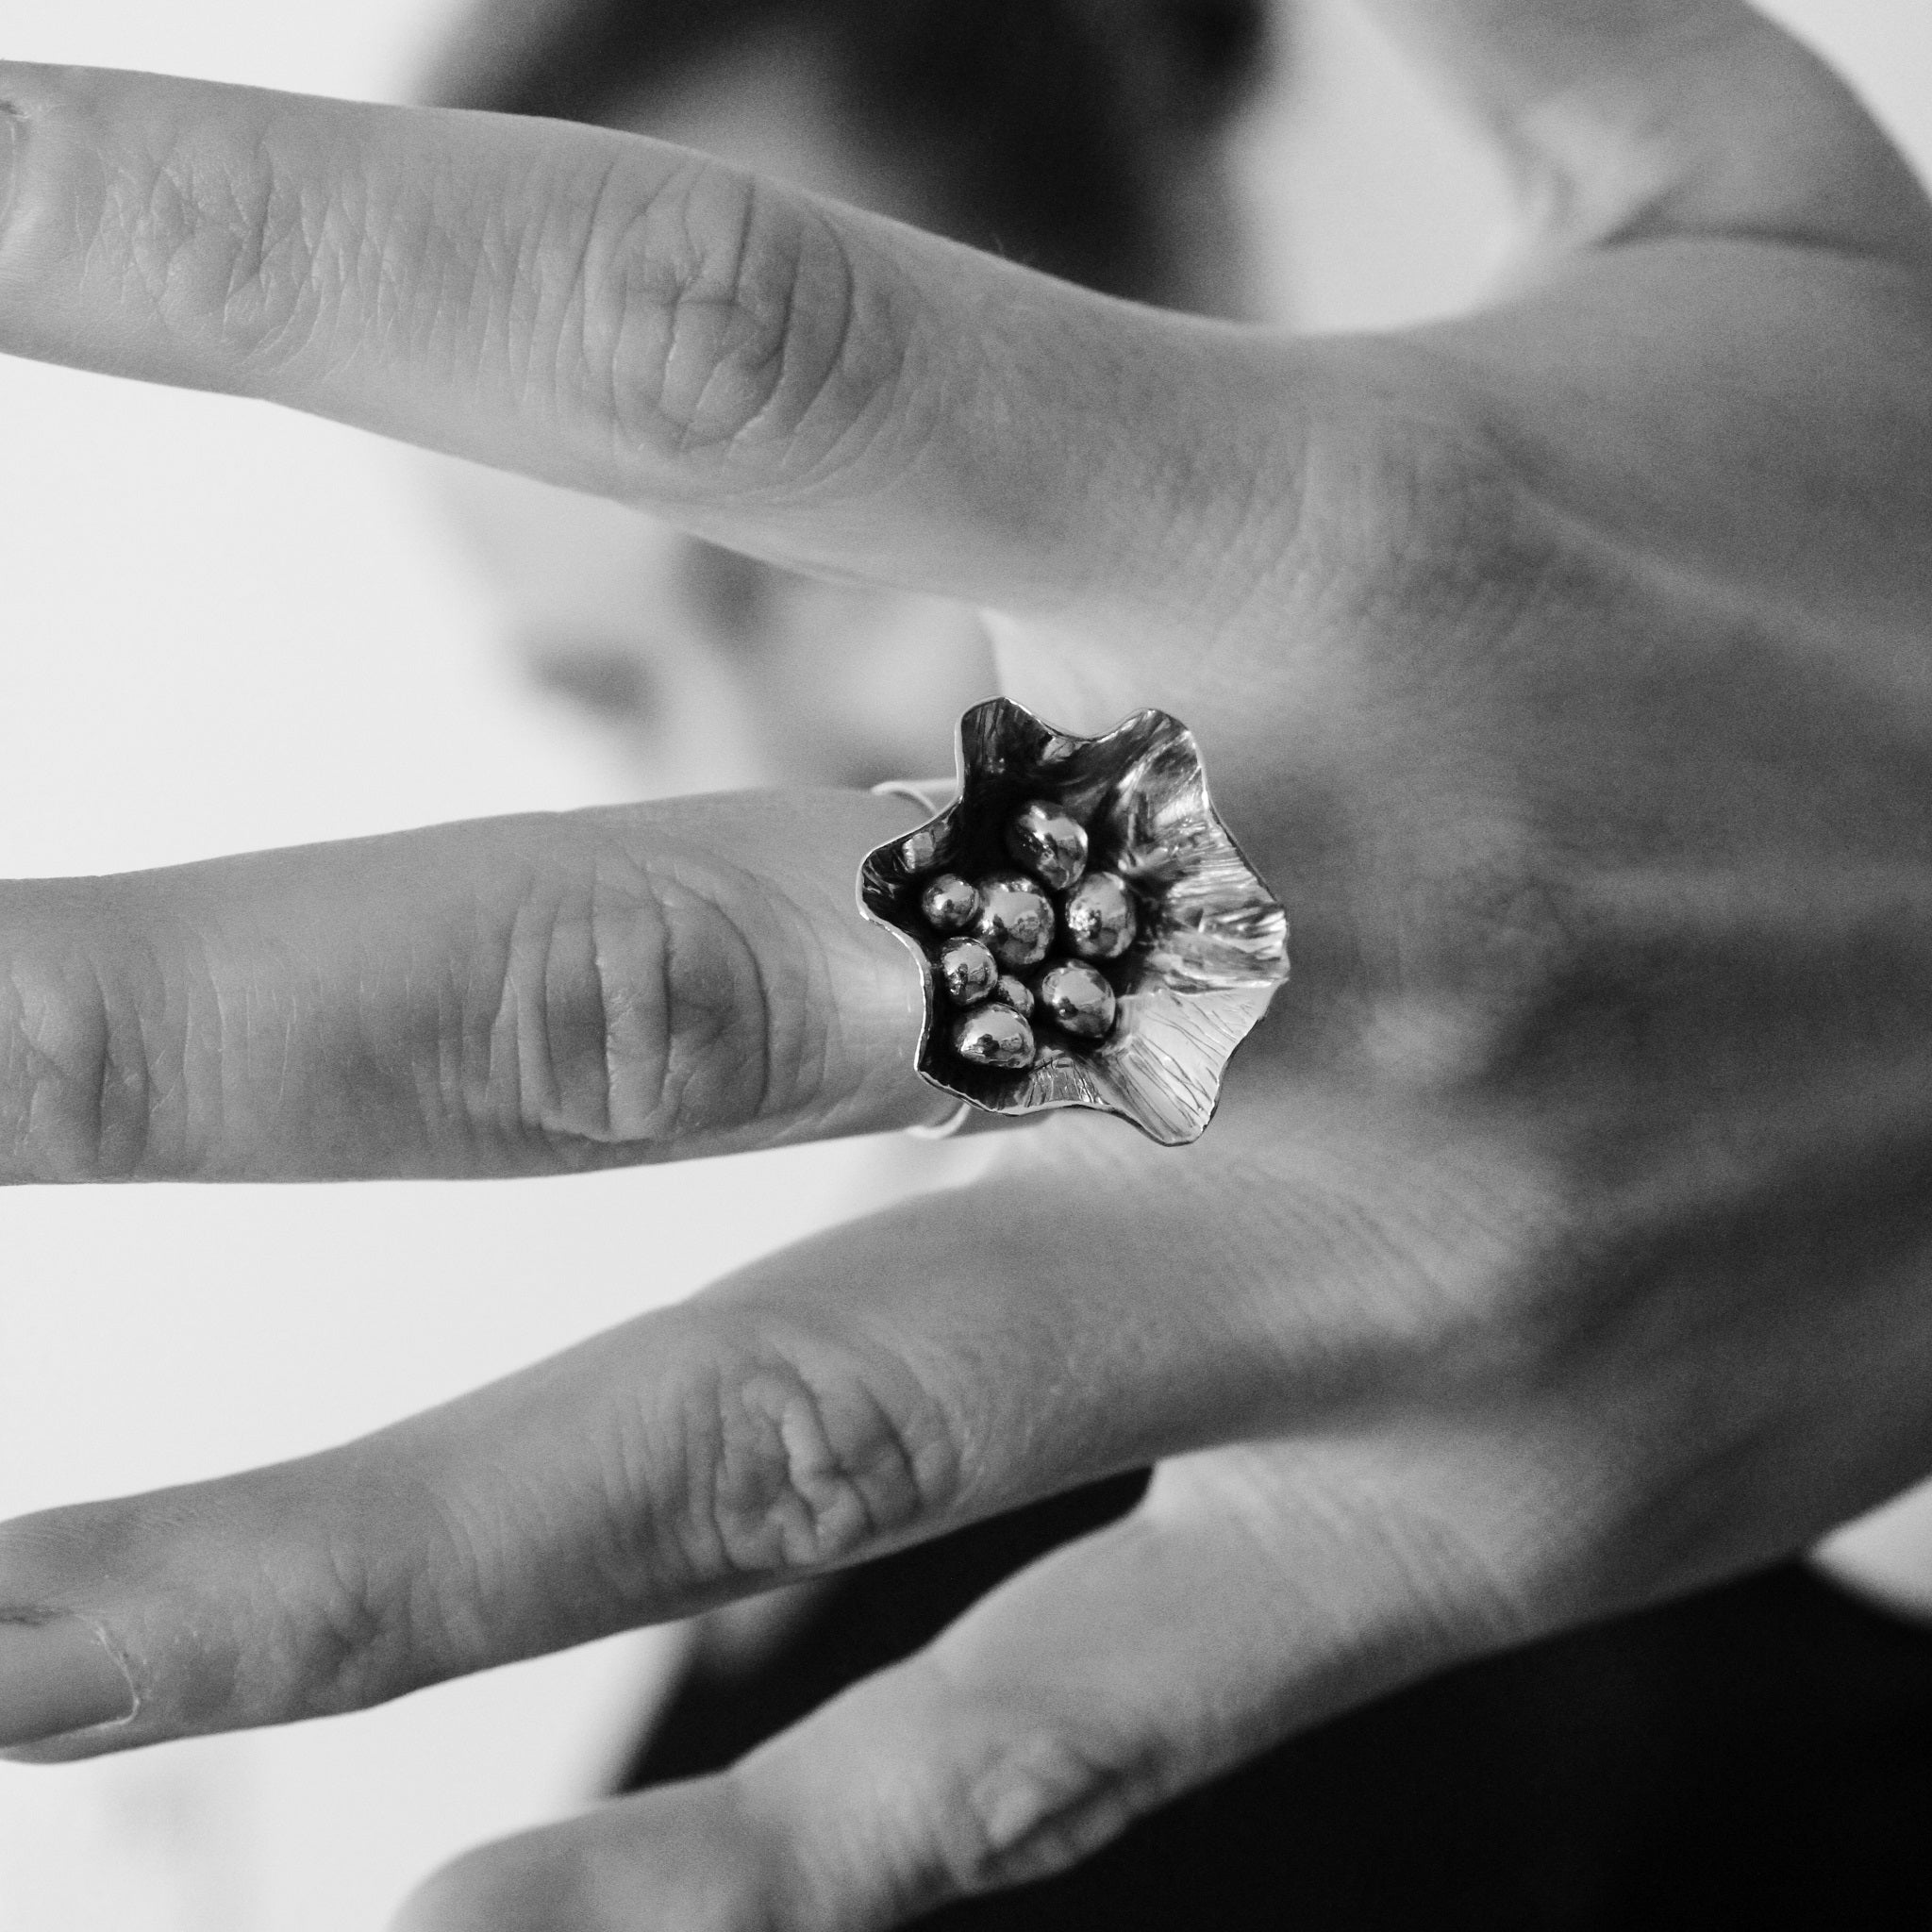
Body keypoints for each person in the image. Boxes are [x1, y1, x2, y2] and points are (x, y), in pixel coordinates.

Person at [1, 7, 1931, 1931]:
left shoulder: (1702, 1467)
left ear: (1179, 320)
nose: (726, 753)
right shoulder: (834, 1488)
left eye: (789, 563)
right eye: (609, 683)